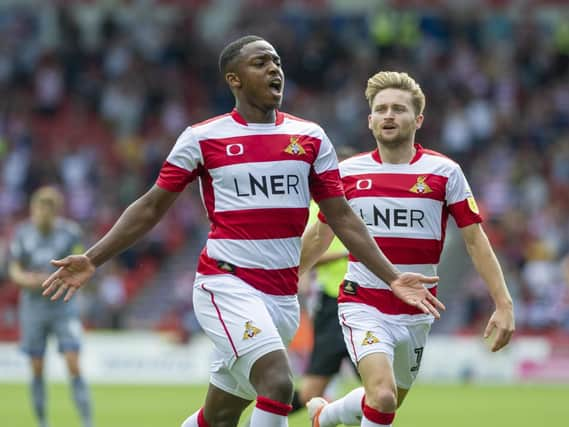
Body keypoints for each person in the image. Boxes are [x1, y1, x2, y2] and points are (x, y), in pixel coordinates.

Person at [41, 37, 443, 427]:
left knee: (219, 416)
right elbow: (150, 206)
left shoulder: (310, 137)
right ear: (234, 79)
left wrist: (391, 277)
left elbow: (343, 217)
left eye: (277, 62)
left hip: (282, 298)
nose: (274, 69)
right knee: (279, 384)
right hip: (226, 285)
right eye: (261, 62)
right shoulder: (203, 138)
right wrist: (92, 258)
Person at [301, 71, 516, 427]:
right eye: (381, 109)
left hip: (418, 309)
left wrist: (504, 303)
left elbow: (475, 240)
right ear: (370, 120)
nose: (389, 115)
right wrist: (278, 284)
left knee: (386, 401)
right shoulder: (347, 173)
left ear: (418, 119)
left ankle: (327, 415)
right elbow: (318, 236)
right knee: (382, 395)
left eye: (398, 109)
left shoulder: (445, 172)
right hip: (363, 301)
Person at [8, 186, 94, 427]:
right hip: (33, 308)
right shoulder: (22, 233)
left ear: (56, 212)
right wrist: (26, 279)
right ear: (33, 210)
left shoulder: (70, 233)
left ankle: (87, 422)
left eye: (48, 211)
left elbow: (82, 263)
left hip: (63, 306)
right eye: (38, 210)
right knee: (36, 367)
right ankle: (43, 422)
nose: (42, 215)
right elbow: (14, 267)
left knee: (73, 363)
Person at [290, 146, 358, 414]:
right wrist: (351, 252)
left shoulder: (362, 206)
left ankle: (330, 417)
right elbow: (305, 256)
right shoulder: (314, 209)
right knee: (310, 392)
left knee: (383, 391)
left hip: (366, 303)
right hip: (332, 306)